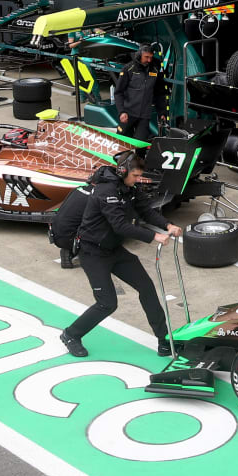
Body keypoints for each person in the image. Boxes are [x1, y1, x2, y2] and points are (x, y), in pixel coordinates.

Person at [59, 152, 183, 358]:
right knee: (107, 303)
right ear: (123, 171)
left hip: (114, 250)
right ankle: (71, 334)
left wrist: (167, 224)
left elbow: (146, 211)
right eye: (135, 176)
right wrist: (154, 236)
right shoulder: (106, 191)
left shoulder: (130, 189)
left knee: (146, 287)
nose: (137, 180)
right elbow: (120, 226)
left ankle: (163, 341)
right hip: (92, 253)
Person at [114, 44, 160, 143]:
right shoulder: (128, 68)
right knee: (122, 142)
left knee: (140, 144)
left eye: (151, 57)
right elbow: (118, 93)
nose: (149, 60)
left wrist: (162, 112)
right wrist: (121, 111)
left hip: (144, 115)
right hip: (128, 113)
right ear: (139, 55)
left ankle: (139, 158)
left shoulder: (155, 70)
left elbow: (159, 93)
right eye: (146, 57)